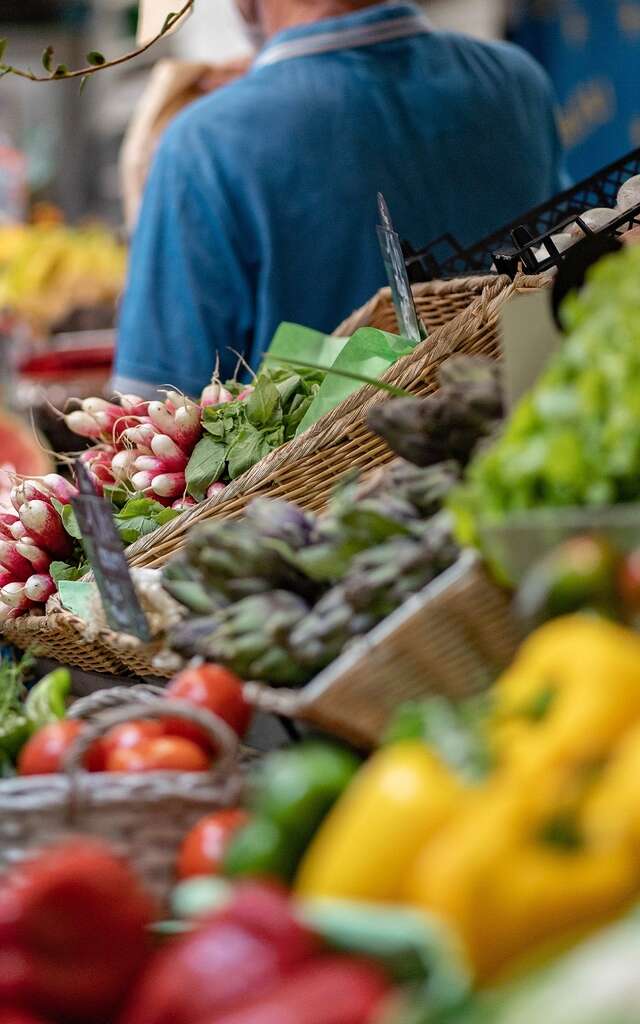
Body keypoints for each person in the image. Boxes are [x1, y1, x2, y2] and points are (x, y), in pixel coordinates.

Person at [113, 0, 568, 399]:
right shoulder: (517, 82)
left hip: (317, 491)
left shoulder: (205, 142)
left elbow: (149, 415)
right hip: (529, 472)